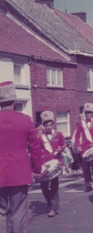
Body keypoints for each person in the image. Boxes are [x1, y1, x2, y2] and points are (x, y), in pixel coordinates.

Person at [0, 81, 41, 233]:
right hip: (20, 173)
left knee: (1, 213)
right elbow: (35, 147)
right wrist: (37, 169)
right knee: (19, 212)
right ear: (14, 100)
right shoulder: (25, 120)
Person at [38, 110, 64, 217]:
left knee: (54, 186)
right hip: (44, 165)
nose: (49, 127)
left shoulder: (59, 135)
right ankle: (50, 203)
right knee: (44, 186)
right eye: (46, 125)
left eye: (50, 124)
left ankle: (53, 208)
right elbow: (37, 152)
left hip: (55, 164)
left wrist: (60, 150)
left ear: (53, 124)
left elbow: (63, 146)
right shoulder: (39, 137)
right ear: (43, 126)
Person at [75, 103, 93, 192]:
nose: (88, 114)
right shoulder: (81, 124)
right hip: (84, 149)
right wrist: (78, 146)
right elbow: (77, 136)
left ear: (92, 113)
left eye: (89, 113)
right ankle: (88, 184)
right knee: (86, 168)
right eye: (86, 113)